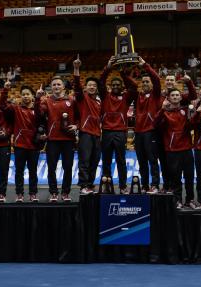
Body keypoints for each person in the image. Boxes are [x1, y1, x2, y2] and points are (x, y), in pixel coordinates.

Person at [100, 56, 138, 194]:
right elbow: (101, 81)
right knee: (106, 161)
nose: (115, 86)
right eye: (113, 85)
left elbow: (134, 86)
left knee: (121, 161)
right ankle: (106, 185)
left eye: (118, 85)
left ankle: (122, 186)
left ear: (122, 87)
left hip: (120, 132)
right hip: (107, 132)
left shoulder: (126, 97)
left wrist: (122, 73)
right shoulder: (105, 96)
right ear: (110, 87)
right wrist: (108, 67)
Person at [37, 76, 77, 202]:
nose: (56, 87)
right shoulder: (47, 101)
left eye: (58, 84)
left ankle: (65, 192)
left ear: (63, 86)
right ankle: (53, 192)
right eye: (54, 85)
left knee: (68, 167)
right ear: (51, 87)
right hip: (52, 139)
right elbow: (39, 114)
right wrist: (38, 99)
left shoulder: (72, 100)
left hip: (68, 140)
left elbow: (80, 116)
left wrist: (77, 126)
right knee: (51, 167)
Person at [0, 84, 42, 203]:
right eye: (23, 94)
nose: (25, 96)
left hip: (33, 146)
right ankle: (19, 194)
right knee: (19, 171)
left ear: (32, 96)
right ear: (20, 96)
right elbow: (2, 105)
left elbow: (42, 121)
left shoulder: (37, 109)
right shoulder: (16, 108)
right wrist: (5, 90)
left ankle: (33, 194)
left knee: (33, 171)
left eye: (27, 94)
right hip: (20, 146)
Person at [154, 89, 196, 209]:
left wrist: (194, 114)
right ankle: (177, 200)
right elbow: (155, 124)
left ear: (181, 98)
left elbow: (192, 125)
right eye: (173, 95)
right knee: (175, 178)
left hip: (187, 149)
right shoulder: (164, 112)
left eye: (177, 95)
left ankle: (190, 200)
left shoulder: (186, 110)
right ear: (169, 98)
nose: (175, 97)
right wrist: (162, 109)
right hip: (172, 151)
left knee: (189, 177)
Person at [72, 55, 102, 194]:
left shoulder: (99, 102)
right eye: (89, 85)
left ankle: (90, 184)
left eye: (94, 86)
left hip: (97, 134)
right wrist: (76, 69)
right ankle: (83, 185)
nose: (92, 87)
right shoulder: (82, 98)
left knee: (94, 161)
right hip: (85, 133)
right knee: (85, 160)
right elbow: (77, 85)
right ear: (86, 87)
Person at [134, 58, 163, 194]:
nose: (145, 83)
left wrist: (145, 66)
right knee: (141, 162)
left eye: (147, 81)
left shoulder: (155, 94)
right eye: (143, 82)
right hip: (138, 133)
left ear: (151, 84)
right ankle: (144, 185)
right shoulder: (138, 96)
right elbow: (129, 83)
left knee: (152, 160)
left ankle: (155, 185)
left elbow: (157, 79)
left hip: (151, 131)